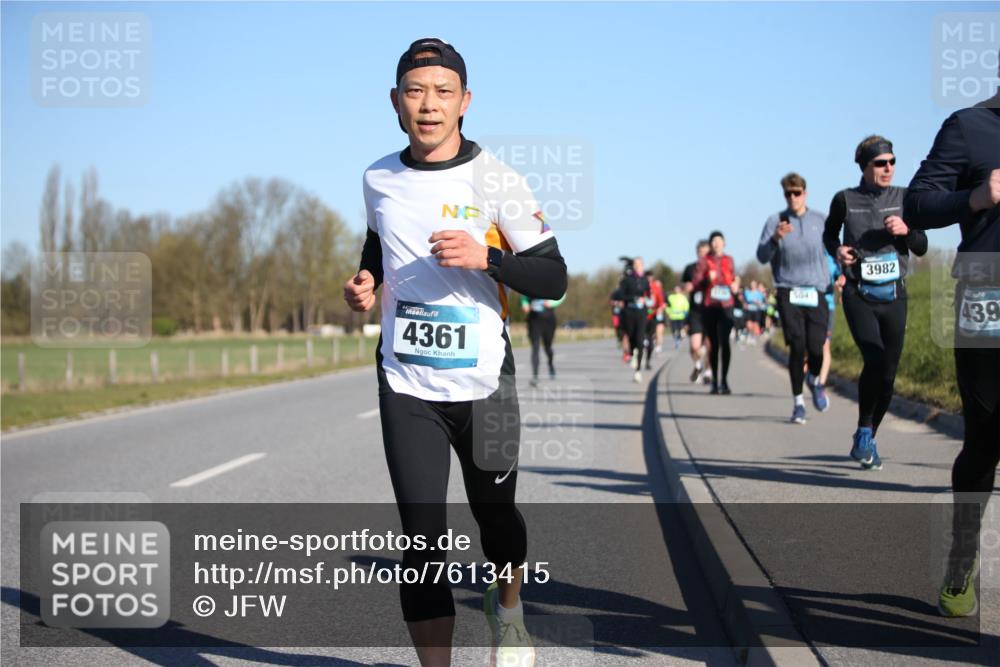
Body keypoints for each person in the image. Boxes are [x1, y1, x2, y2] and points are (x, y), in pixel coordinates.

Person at [344, 37, 567, 666]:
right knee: (421, 541)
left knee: (496, 518)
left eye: (442, 92)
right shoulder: (377, 178)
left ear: (464, 101)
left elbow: (554, 277)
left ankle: (509, 610)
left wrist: (487, 257)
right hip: (406, 381)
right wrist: (366, 282)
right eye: (415, 92)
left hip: (486, 382)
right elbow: (377, 244)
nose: (429, 104)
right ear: (395, 101)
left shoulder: (496, 178)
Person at [904, 67, 999, 617]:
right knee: (986, 439)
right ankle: (962, 561)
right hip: (988, 296)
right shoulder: (969, 127)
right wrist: (978, 197)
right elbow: (917, 205)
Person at [824, 135, 929, 470]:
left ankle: (866, 433)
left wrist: (906, 232)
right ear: (864, 167)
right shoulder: (844, 199)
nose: (888, 168)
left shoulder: (905, 198)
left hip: (894, 295)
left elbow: (922, 245)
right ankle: (865, 433)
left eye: (892, 162)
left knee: (888, 375)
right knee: (875, 356)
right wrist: (838, 251)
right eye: (880, 163)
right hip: (859, 293)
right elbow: (829, 234)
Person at [757, 173, 831, 424]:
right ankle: (798, 403)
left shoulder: (820, 220)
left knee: (817, 347)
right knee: (797, 346)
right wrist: (775, 238)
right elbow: (761, 256)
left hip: (816, 289)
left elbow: (835, 249)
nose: (792, 198)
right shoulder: (774, 221)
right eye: (788, 194)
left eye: (796, 193)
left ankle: (814, 379)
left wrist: (844, 274)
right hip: (788, 290)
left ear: (805, 194)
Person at [693, 231, 737, 394]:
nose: (717, 244)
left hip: (726, 305)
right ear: (711, 244)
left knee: (725, 342)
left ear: (724, 243)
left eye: (719, 241)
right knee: (714, 344)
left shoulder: (729, 260)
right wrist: (707, 279)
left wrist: (735, 284)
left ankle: (724, 380)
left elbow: (733, 278)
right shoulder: (704, 261)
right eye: (714, 241)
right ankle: (714, 381)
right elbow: (696, 283)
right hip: (710, 305)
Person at [682, 240, 713, 384]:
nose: (703, 255)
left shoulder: (713, 268)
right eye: (700, 252)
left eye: (706, 252)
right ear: (697, 253)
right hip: (695, 311)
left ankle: (708, 371)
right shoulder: (690, 269)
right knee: (694, 346)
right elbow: (684, 286)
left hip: (711, 310)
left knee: (710, 345)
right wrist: (686, 287)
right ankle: (698, 365)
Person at [521, 292, 566, 386]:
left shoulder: (550, 284)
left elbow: (562, 293)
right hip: (534, 320)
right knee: (535, 348)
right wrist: (524, 304)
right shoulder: (530, 284)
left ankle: (550, 364)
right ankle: (535, 376)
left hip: (548, 320)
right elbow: (524, 295)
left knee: (548, 347)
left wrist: (552, 303)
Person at [617, 257, 651, 382]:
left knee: (640, 340)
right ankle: (632, 352)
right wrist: (633, 298)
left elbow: (649, 295)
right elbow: (620, 295)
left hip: (641, 313)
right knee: (631, 338)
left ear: (643, 266)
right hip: (629, 312)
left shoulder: (645, 280)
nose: (637, 266)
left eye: (639, 264)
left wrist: (647, 300)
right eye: (635, 264)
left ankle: (638, 371)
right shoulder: (627, 280)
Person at [816, 251, 846, 388]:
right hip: (809, 306)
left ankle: (820, 385)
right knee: (807, 345)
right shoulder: (808, 251)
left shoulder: (832, 256)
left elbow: (839, 277)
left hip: (827, 307)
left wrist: (842, 287)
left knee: (825, 345)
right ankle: (809, 375)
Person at [666, 285, 690, 349]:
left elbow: (686, 305)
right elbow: (667, 306)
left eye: (677, 289)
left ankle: (679, 338)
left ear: (680, 290)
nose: (676, 290)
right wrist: (668, 312)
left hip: (681, 316)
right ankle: (676, 340)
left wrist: (685, 312)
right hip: (673, 316)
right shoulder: (670, 297)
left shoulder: (683, 297)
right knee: (673, 330)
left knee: (680, 329)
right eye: (675, 289)